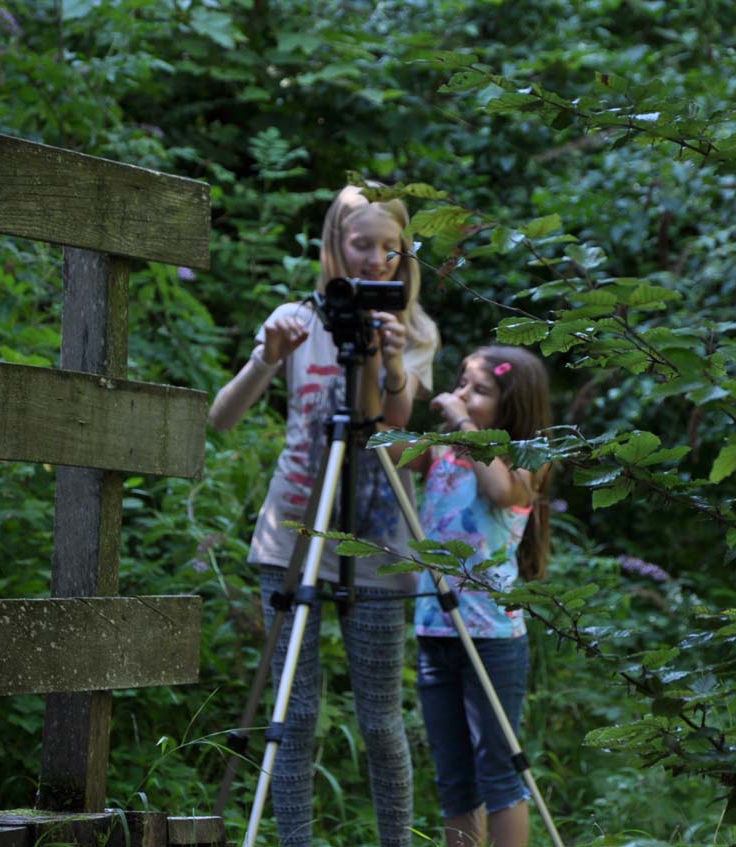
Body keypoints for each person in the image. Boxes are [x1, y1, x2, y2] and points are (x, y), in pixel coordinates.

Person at [209, 184, 439, 847]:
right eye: (360, 244)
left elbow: (389, 423)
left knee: (380, 719)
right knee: (295, 712)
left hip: (378, 546)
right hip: (292, 535)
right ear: (334, 244)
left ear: (404, 256)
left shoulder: (414, 330)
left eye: (389, 248)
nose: (374, 259)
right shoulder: (295, 318)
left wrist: (388, 357)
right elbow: (222, 417)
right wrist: (267, 356)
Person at [387, 344, 552, 847]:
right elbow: (384, 443)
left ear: (512, 405)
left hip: (492, 635)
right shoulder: (442, 450)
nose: (461, 395)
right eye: (461, 383)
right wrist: (387, 372)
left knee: (499, 775)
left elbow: (501, 492)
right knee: (454, 780)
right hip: (435, 629)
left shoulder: (526, 460)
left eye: (479, 390)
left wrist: (462, 422)